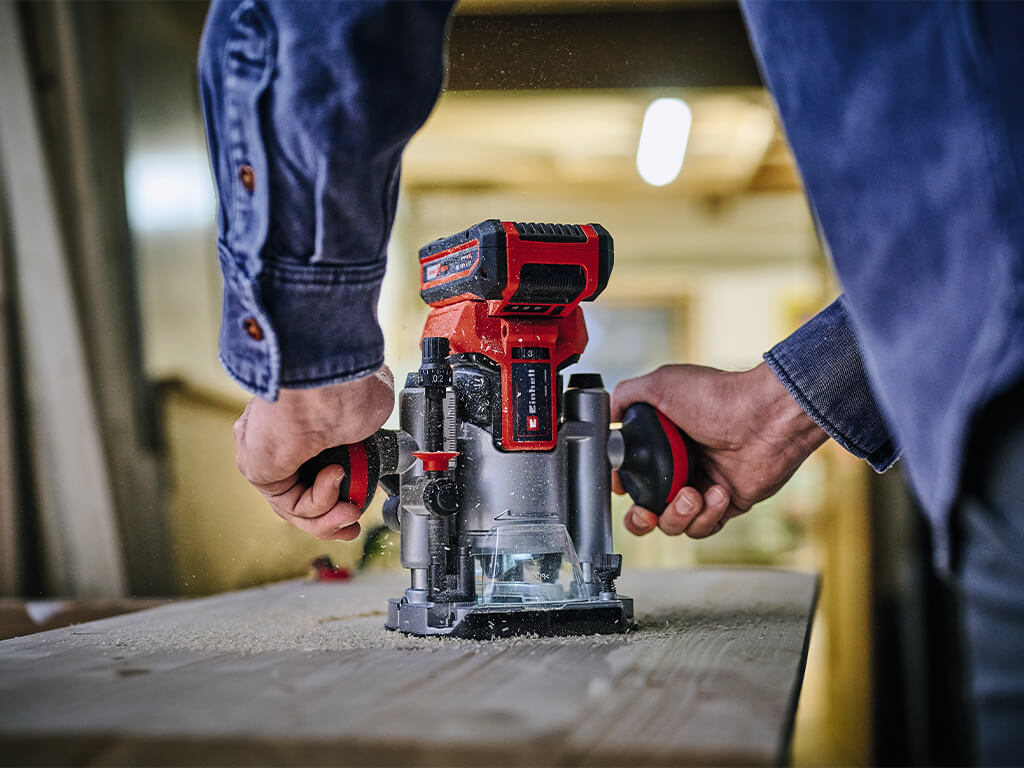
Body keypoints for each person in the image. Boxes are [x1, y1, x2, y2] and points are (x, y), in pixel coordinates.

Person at [199, 2, 1024, 763]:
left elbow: (339, 20)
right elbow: (983, 235)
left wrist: (309, 369)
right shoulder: (459, 400)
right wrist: (780, 407)